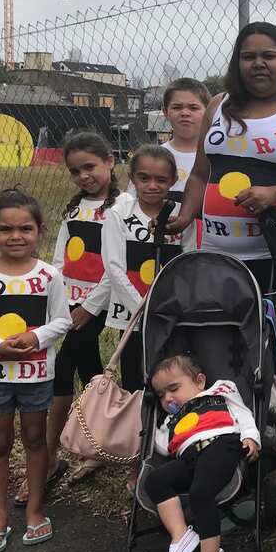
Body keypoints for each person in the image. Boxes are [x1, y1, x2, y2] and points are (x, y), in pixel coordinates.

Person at [169, 22, 276, 455]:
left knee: (274, 343)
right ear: (237, 62)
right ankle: (224, 430)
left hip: (274, 255)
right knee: (218, 344)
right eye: (249, 56)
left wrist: (274, 195)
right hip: (217, 255)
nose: (259, 64)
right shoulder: (219, 105)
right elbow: (203, 173)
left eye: (269, 55)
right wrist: (183, 215)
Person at [0, 189, 72, 552]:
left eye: (25, 228)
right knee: (0, 444)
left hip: (37, 376)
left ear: (40, 230)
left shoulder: (49, 276)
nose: (16, 236)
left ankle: (35, 511)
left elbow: (62, 321)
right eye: (6, 229)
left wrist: (35, 338)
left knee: (36, 441)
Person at [28, 130, 120, 499]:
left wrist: (88, 307)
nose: (83, 176)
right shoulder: (73, 208)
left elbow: (117, 267)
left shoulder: (121, 208)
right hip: (69, 302)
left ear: (110, 162)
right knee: (91, 370)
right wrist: (61, 298)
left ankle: (51, 458)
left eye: (90, 167)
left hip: (100, 303)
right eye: (75, 171)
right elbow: (59, 259)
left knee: (64, 368)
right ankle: (96, 443)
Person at [81, 145, 195, 397]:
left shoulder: (180, 216)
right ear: (132, 178)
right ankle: (136, 432)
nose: (152, 185)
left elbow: (188, 264)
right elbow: (114, 268)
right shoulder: (117, 214)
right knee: (135, 380)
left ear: (174, 180)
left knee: (172, 379)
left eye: (161, 179)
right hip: (132, 316)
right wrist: (143, 310)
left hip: (169, 314)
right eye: (144, 178)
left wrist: (166, 307)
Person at [146, 354, 261, 552]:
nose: (168, 399)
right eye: (161, 395)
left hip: (221, 445)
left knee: (201, 492)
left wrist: (250, 437)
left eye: (173, 389)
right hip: (189, 458)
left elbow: (243, 415)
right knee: (154, 481)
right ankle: (181, 536)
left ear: (199, 381)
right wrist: (146, 429)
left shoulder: (220, 390)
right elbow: (165, 448)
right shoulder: (169, 420)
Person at [157, 78, 210, 207]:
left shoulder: (216, 157)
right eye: (177, 107)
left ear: (209, 112)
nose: (185, 113)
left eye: (193, 108)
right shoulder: (154, 157)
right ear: (165, 112)